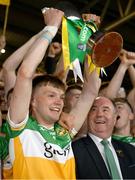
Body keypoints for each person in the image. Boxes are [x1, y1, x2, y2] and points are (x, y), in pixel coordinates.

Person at [6, 8, 101, 179]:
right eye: (51, 95)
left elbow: (91, 89)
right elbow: (25, 72)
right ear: (32, 101)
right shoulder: (21, 126)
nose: (59, 102)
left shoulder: (65, 130)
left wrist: (89, 38)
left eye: (62, 97)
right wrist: (51, 28)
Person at [72, 96, 135, 179]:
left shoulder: (130, 150)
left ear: (115, 118)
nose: (99, 114)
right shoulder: (75, 150)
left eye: (105, 110)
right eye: (93, 109)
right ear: (87, 116)